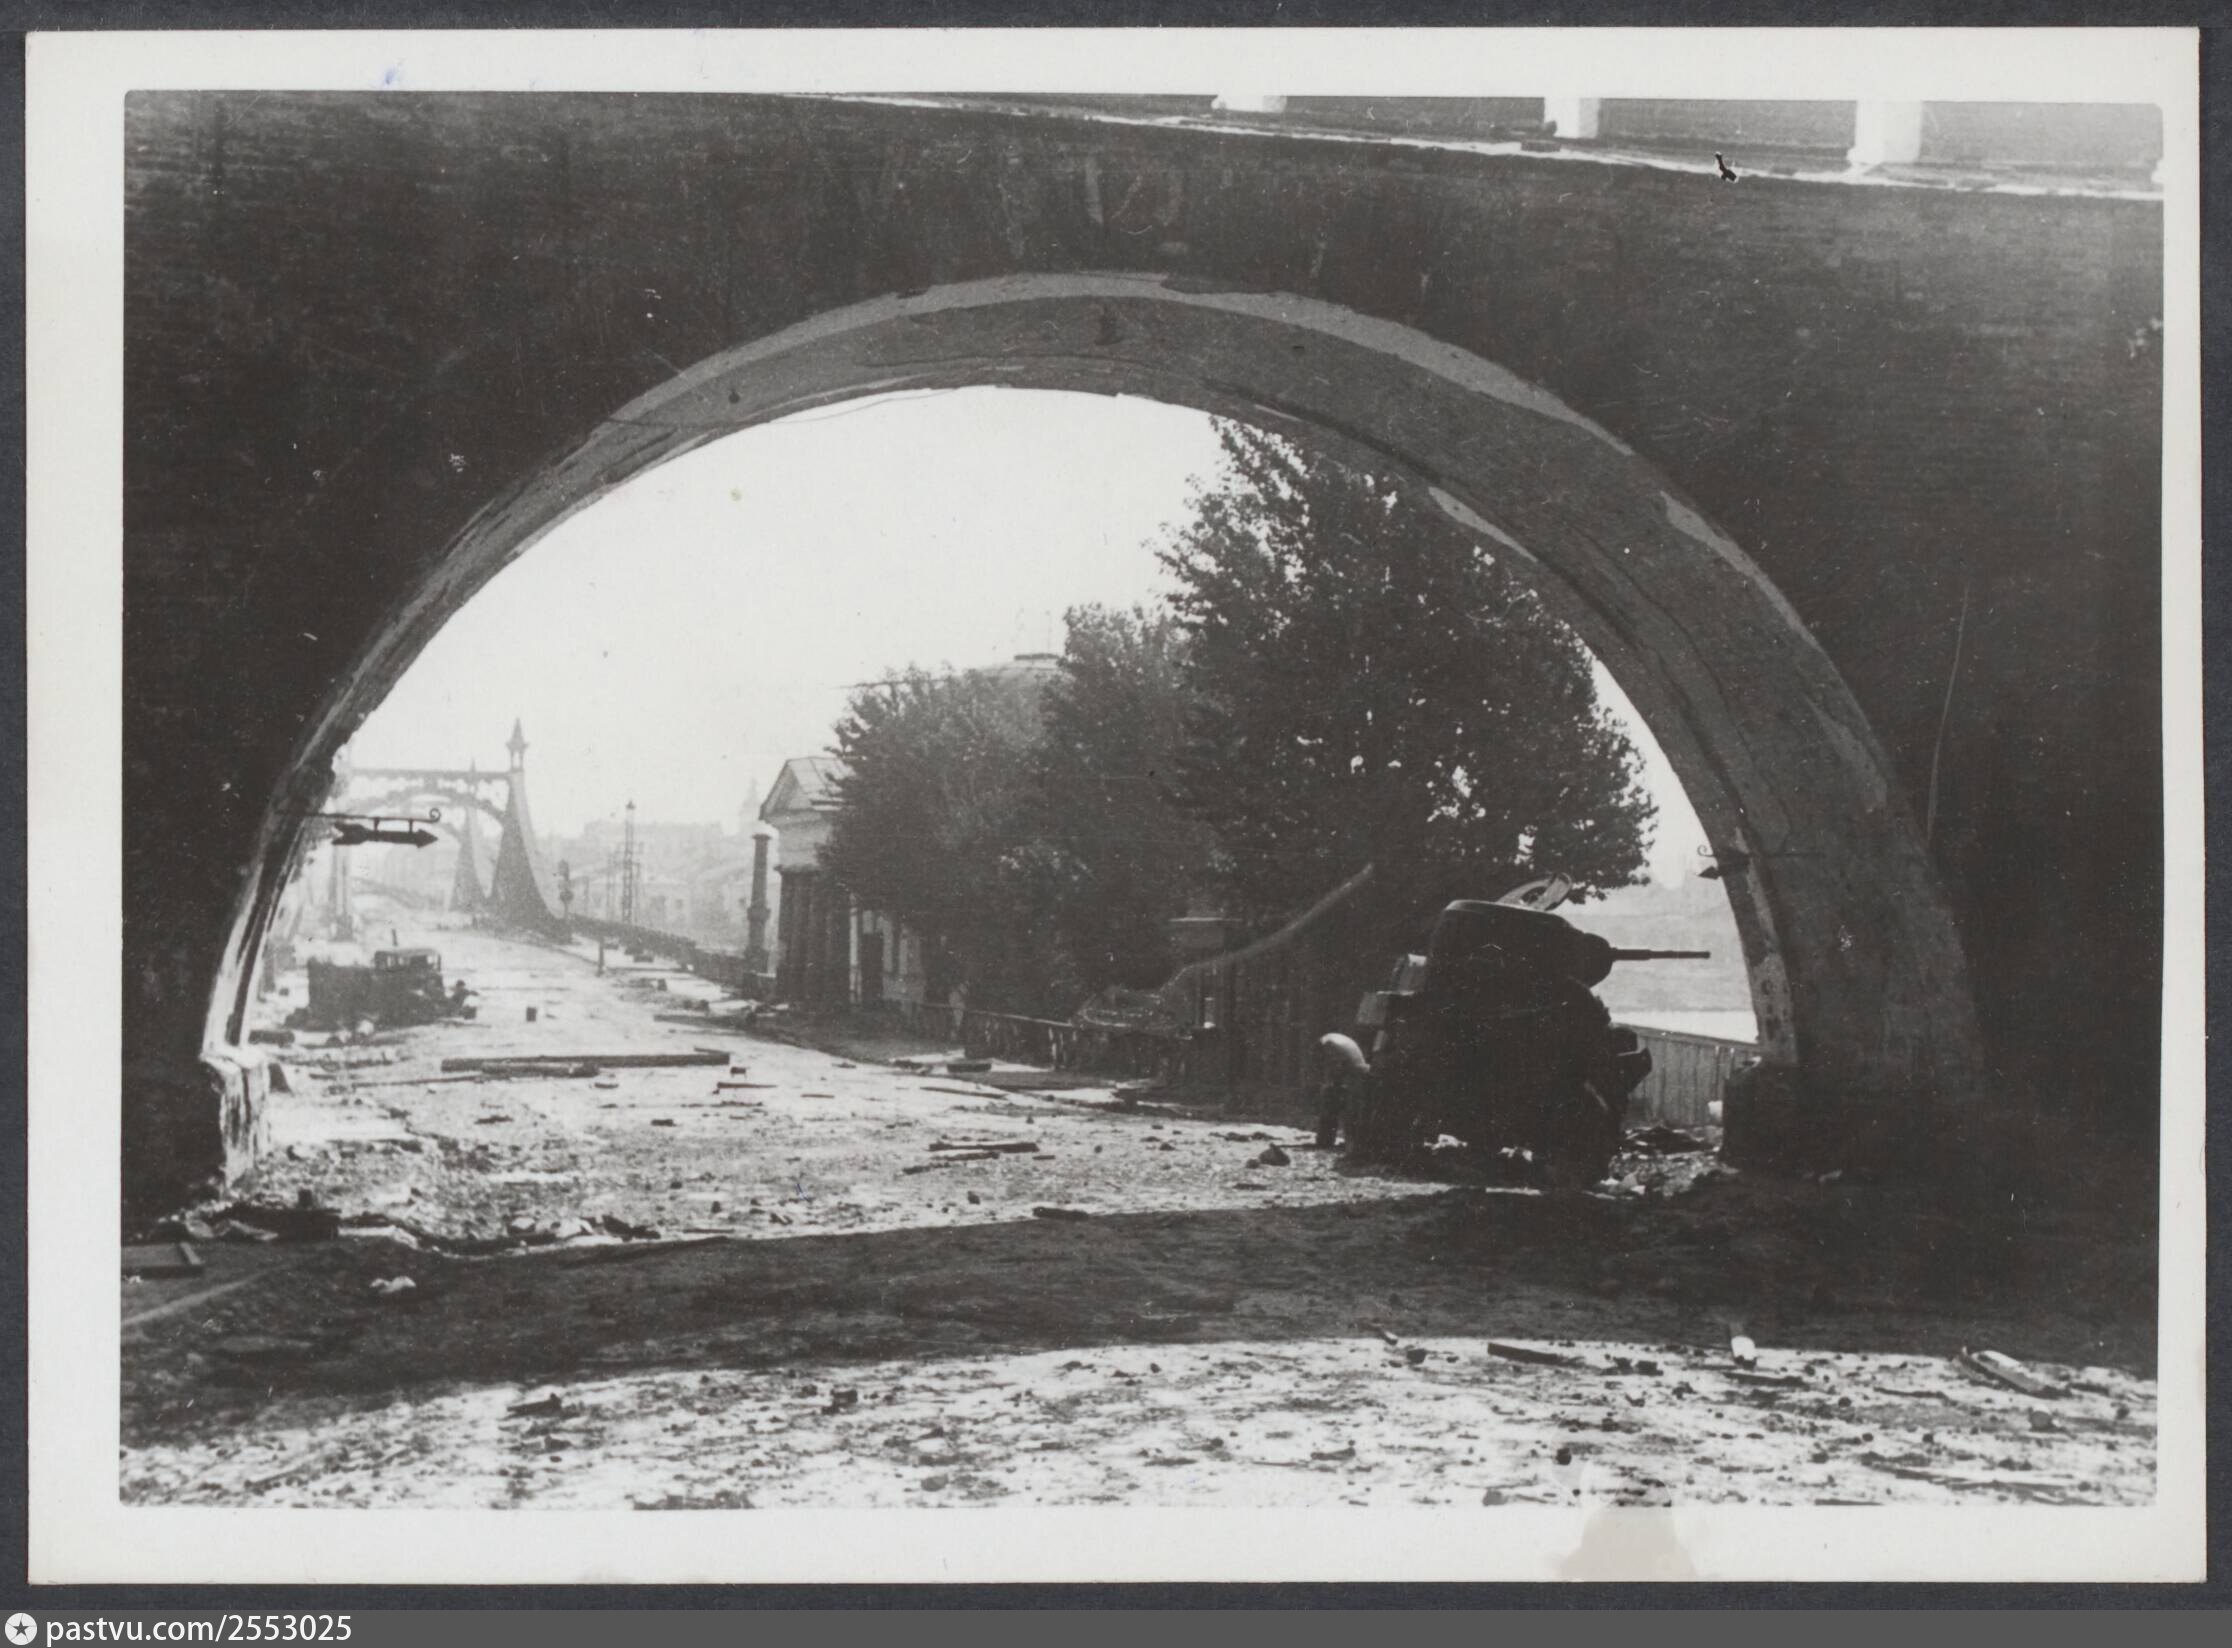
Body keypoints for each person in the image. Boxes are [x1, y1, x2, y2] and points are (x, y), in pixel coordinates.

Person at [1313, 1030, 1372, 1148]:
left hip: (1356, 1077)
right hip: (1354, 1075)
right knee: (1331, 1095)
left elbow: (1338, 1068)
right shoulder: (1331, 1042)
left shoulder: (1329, 1044)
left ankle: (1346, 1141)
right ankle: (1329, 1139)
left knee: (1338, 1101)